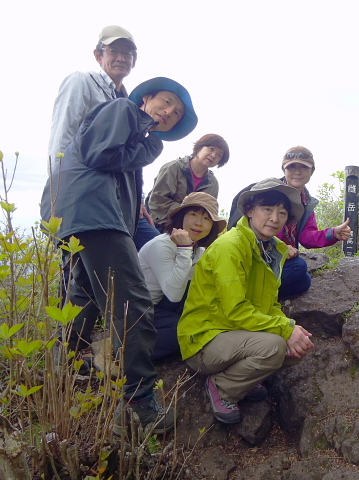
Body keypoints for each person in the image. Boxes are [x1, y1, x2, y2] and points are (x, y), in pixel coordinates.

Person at [41, 76, 198, 435]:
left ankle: (62, 364)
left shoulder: (135, 131)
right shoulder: (124, 109)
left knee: (84, 295)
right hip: (93, 211)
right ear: (147, 99)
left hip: (79, 212)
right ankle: (140, 400)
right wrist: (148, 149)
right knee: (133, 302)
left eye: (176, 113)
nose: (169, 111)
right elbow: (101, 154)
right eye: (167, 102)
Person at [178, 178, 316, 424]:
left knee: (297, 346)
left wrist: (291, 328)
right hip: (205, 339)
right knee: (274, 346)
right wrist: (285, 330)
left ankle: (244, 378)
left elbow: (269, 304)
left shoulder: (271, 250)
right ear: (250, 210)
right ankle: (222, 386)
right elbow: (236, 310)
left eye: (282, 213)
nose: (275, 218)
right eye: (267, 209)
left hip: (235, 334)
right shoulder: (230, 246)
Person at [47, 25, 159, 250]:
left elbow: (130, 159)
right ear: (98, 55)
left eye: (127, 53)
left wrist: (138, 199)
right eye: (113, 51)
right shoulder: (83, 81)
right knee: (80, 269)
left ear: (134, 61)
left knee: (151, 248)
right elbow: (63, 133)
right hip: (83, 195)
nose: (121, 58)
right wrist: (57, 195)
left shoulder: (128, 100)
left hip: (117, 201)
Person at [228, 146, 351, 298]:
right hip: (256, 255)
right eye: (292, 167)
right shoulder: (268, 193)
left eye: (304, 167)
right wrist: (277, 246)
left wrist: (333, 233)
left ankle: (262, 296)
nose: (297, 172)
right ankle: (253, 294)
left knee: (303, 281)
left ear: (312, 171)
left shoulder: (306, 202)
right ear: (284, 170)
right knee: (299, 268)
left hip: (280, 258)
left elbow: (306, 236)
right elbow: (247, 228)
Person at [139, 192, 226, 361]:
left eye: (206, 218)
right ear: (181, 217)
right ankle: (127, 352)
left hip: (164, 309)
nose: (198, 223)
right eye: (193, 214)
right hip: (141, 312)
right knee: (183, 333)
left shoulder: (199, 251)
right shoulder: (161, 245)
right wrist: (184, 249)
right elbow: (174, 294)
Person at [147, 133, 229, 231]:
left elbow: (209, 211)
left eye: (219, 155)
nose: (213, 155)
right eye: (211, 149)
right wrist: (184, 215)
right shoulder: (173, 168)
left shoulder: (213, 183)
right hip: (159, 225)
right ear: (199, 147)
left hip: (191, 232)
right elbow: (157, 201)